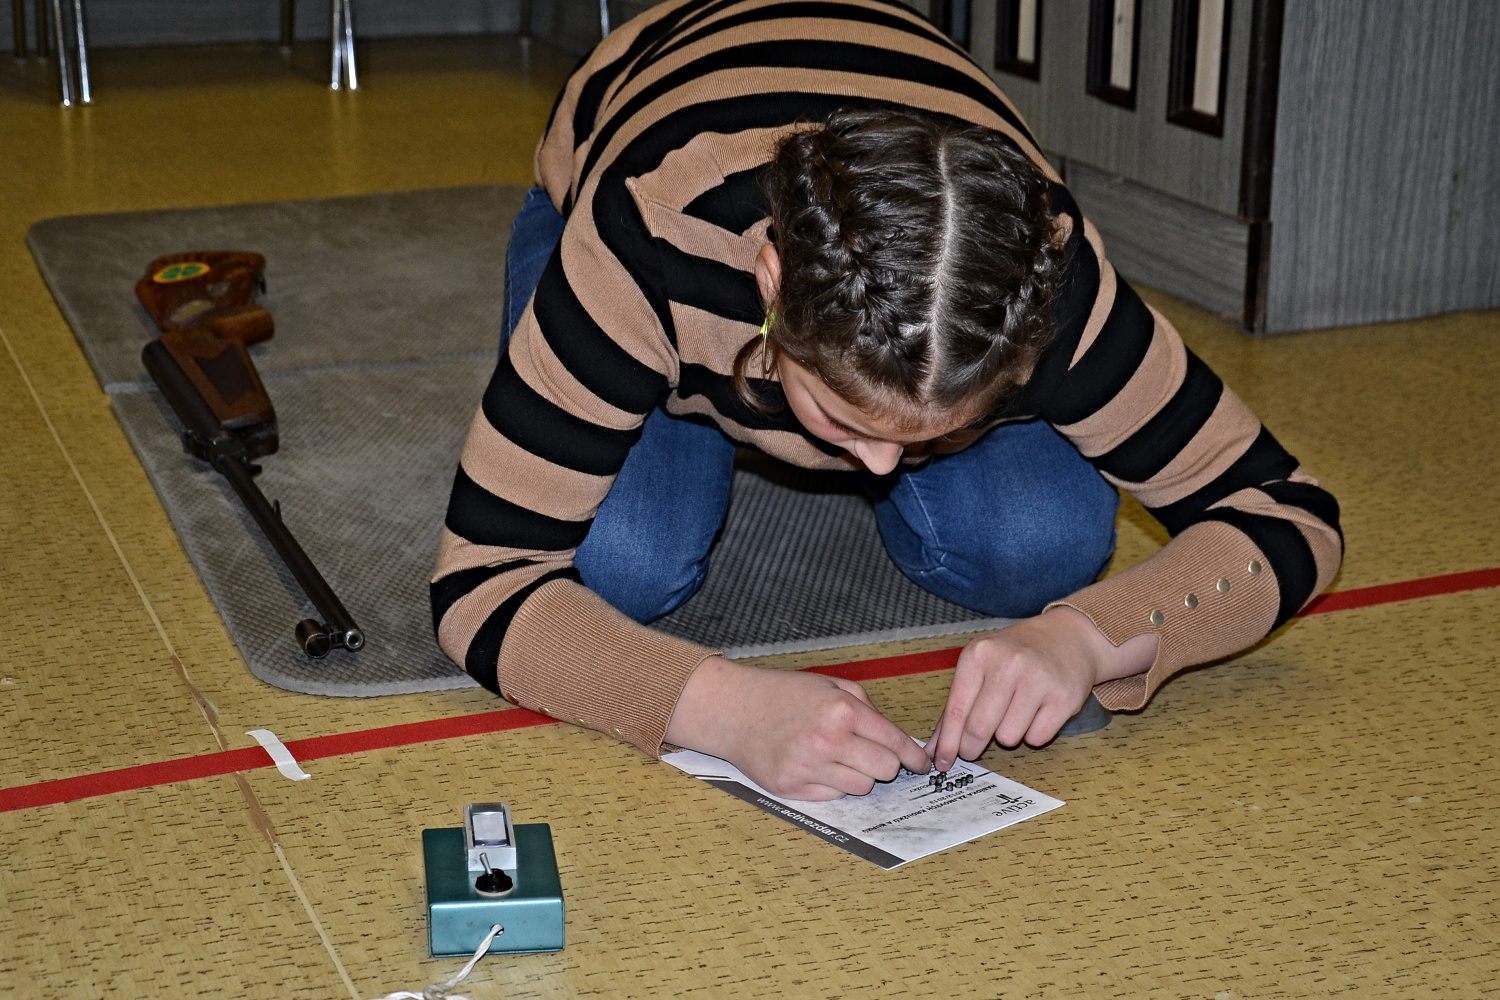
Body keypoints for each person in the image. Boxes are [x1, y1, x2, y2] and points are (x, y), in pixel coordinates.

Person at [432, 0, 1342, 800]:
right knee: (624, 564)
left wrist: (1092, 638)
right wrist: (724, 709)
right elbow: (483, 582)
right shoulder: (645, 240)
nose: (873, 466)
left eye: (938, 431)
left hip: (880, 125)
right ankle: (681, 395)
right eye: (844, 418)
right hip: (622, 156)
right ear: (771, 285)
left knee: (1042, 551)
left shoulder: (1048, 287)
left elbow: (1290, 513)